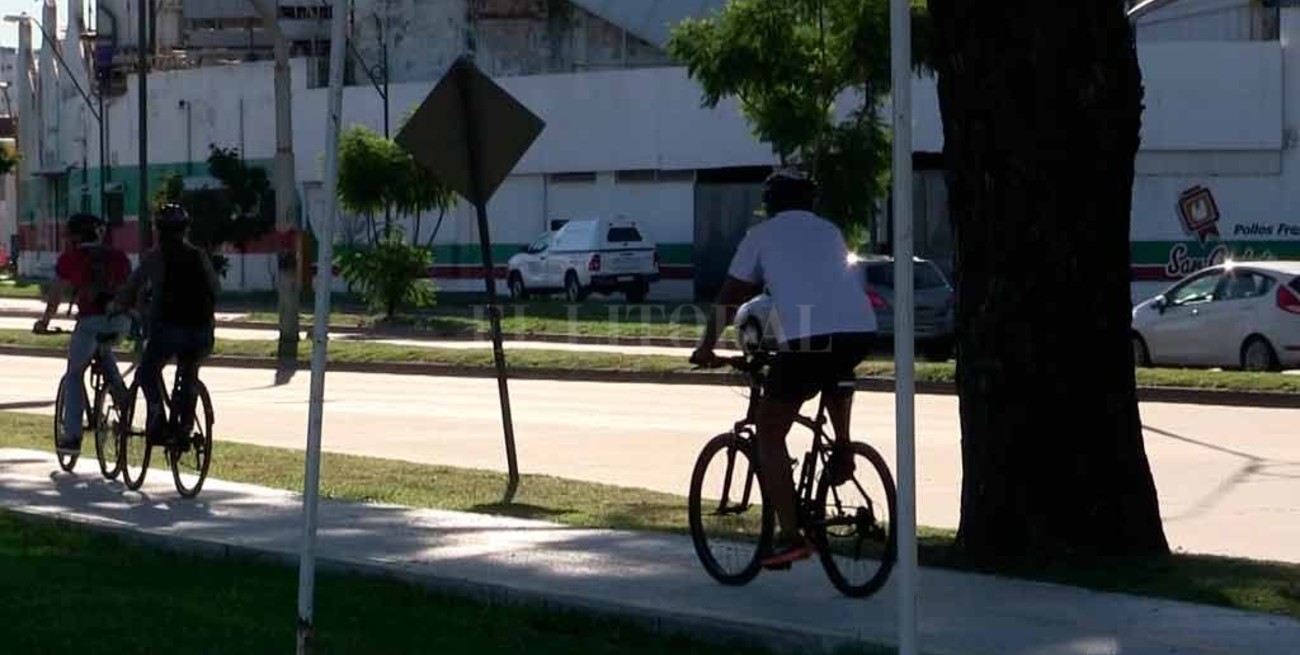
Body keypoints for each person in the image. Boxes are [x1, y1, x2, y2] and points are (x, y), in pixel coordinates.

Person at [690, 169, 877, 569]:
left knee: (768, 434)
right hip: (860, 331)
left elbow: (731, 295)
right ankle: (843, 449)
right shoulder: (829, 231)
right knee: (835, 369)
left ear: (769, 205)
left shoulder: (761, 236)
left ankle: (791, 537)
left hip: (809, 338)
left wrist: (706, 346)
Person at [110, 203, 220, 447]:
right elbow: (216, 288)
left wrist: (118, 306)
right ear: (185, 229)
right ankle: (185, 427)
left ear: (158, 230)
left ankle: (158, 415)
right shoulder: (198, 255)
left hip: (168, 330)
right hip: (201, 331)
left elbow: (131, 285)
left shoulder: (155, 257)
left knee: (146, 373)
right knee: (189, 372)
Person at [33, 212, 133, 456]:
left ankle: (73, 435)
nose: (66, 240)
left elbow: (56, 295)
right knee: (105, 350)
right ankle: (123, 401)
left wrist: (45, 322)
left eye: (69, 236)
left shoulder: (70, 259)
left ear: (77, 237)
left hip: (90, 323)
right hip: (120, 322)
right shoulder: (118, 256)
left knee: (74, 375)